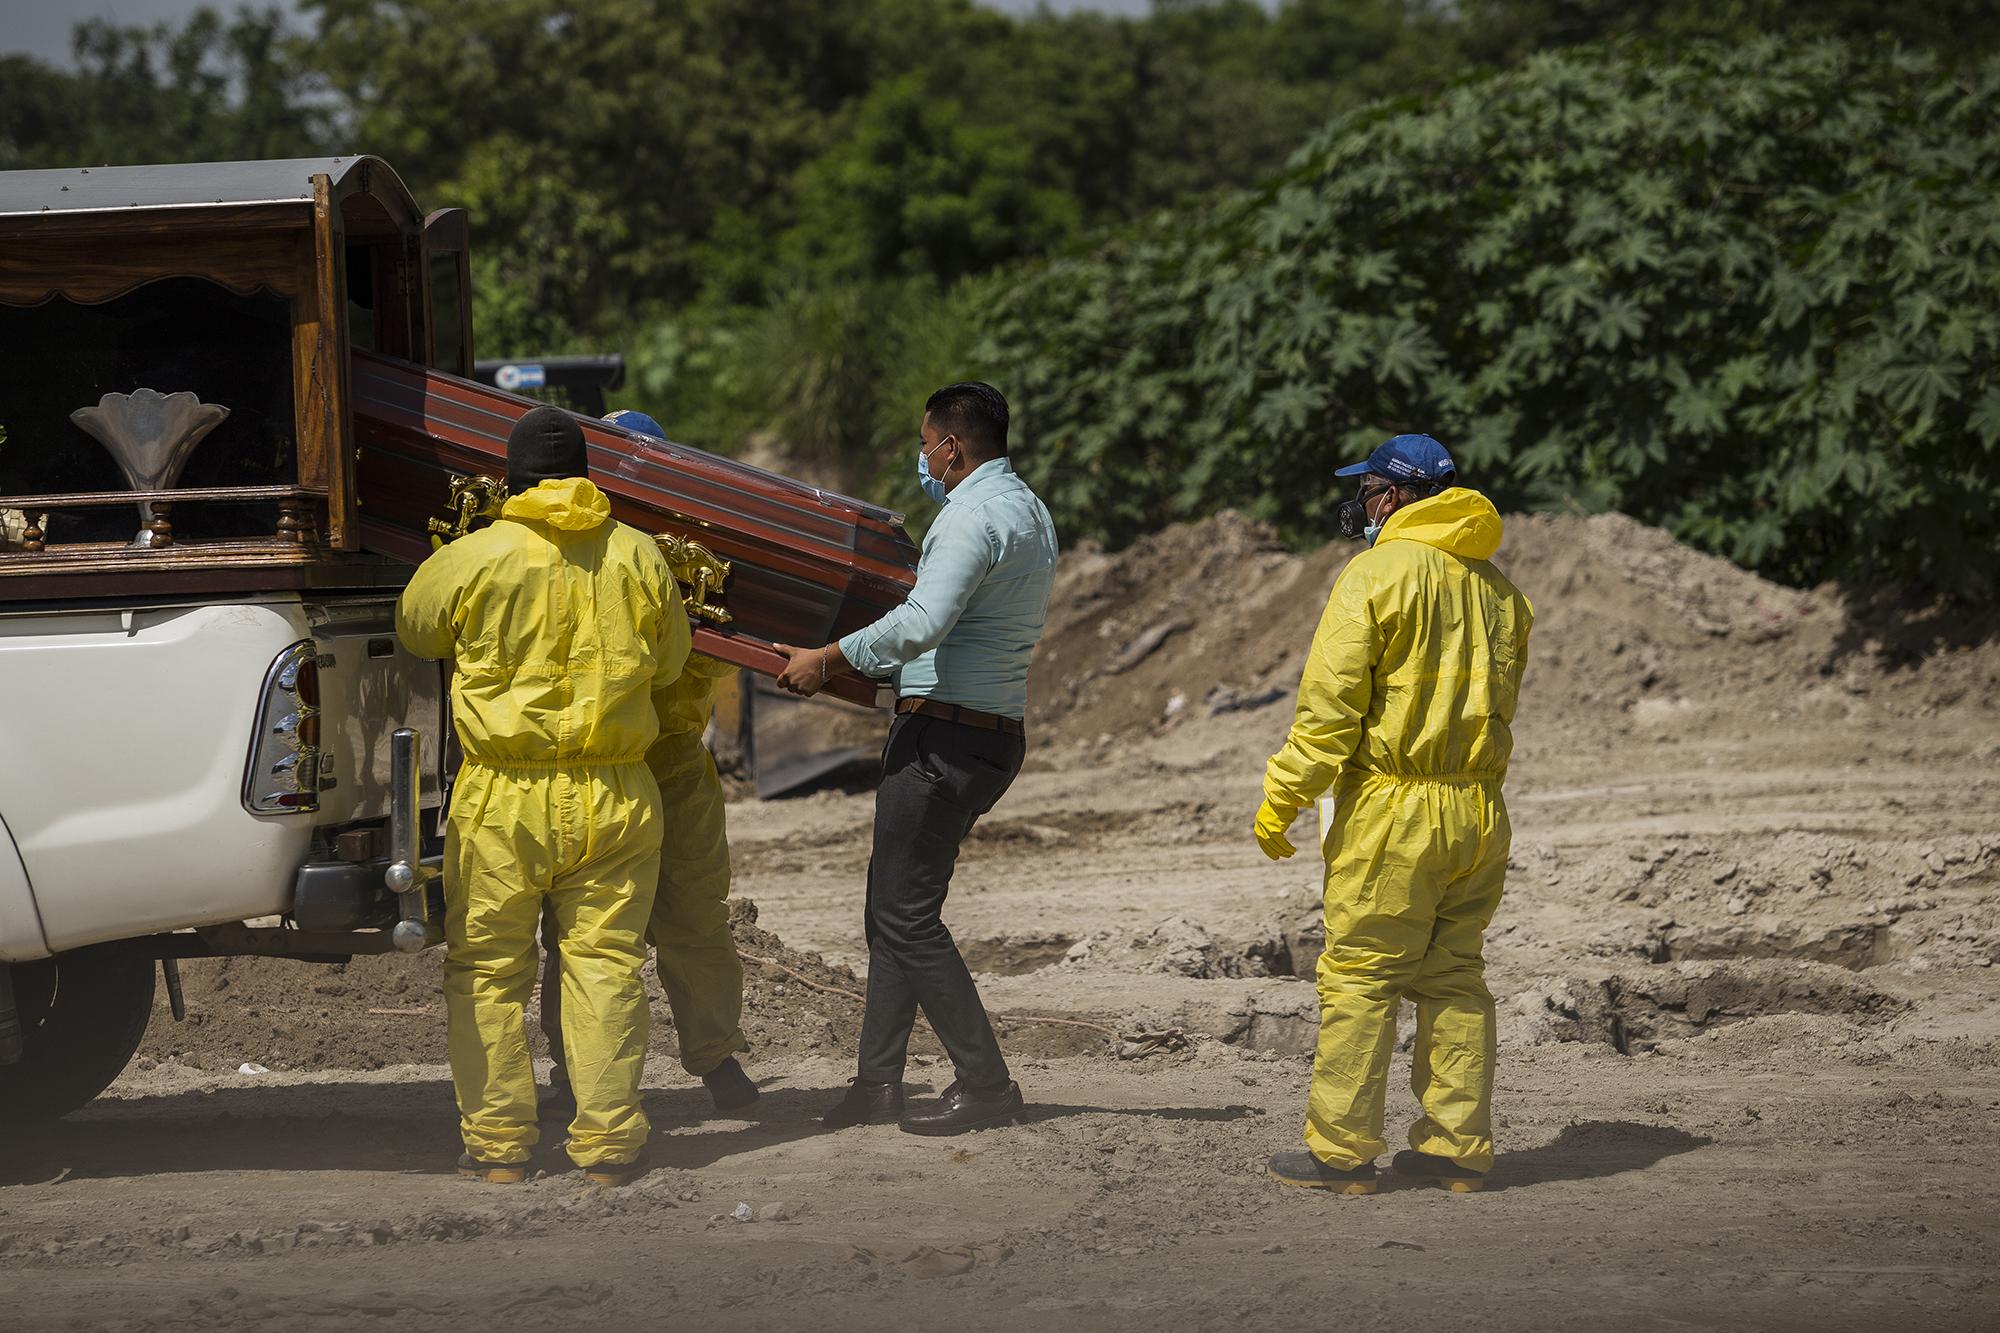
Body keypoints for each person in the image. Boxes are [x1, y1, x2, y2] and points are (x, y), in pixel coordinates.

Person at [397, 404, 690, 1186]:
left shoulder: (474, 555)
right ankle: (608, 1151)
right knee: (605, 966)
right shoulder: (641, 555)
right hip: (617, 791)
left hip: (503, 798)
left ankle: (497, 1153)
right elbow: (669, 665)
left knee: (488, 973)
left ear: (513, 478)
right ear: (588, 474)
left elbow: (415, 628)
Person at [772, 382, 1058, 1136]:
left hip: (945, 740)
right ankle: (878, 1084)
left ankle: (988, 1084)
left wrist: (828, 655)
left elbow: (924, 622)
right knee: (892, 909)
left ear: (951, 447)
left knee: (904, 914)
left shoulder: (969, 516)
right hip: (986, 732)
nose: (921, 457)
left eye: (925, 441)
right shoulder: (1029, 509)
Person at [1254, 433, 1532, 1195]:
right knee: (1454, 977)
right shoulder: (1502, 591)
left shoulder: (1373, 576)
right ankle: (1456, 1147)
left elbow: (1328, 712)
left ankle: (1340, 1154)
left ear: (1400, 495)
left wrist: (1283, 799)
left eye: (1372, 489)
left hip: (1393, 810)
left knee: (1361, 977)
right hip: (1479, 810)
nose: (1364, 503)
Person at [536, 408, 757, 1121]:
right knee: (585, 936)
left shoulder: (690, 552)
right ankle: (575, 1074)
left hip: (669, 766)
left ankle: (717, 1059)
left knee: (694, 921)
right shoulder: (571, 550)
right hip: (599, 765)